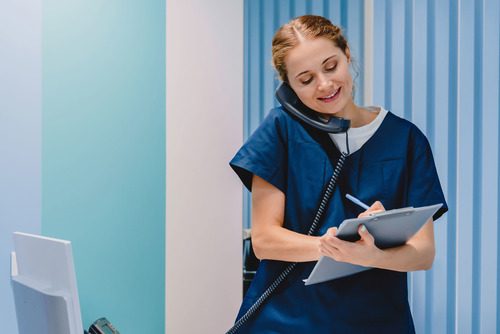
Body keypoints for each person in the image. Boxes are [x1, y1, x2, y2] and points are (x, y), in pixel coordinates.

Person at [229, 15, 447, 333]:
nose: (325, 85)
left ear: (346, 54)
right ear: (288, 89)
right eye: (305, 80)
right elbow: (265, 240)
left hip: (375, 320)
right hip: (286, 321)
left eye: (331, 66)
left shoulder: (406, 139)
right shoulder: (280, 130)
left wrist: (371, 253)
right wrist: (332, 246)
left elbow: (423, 253)